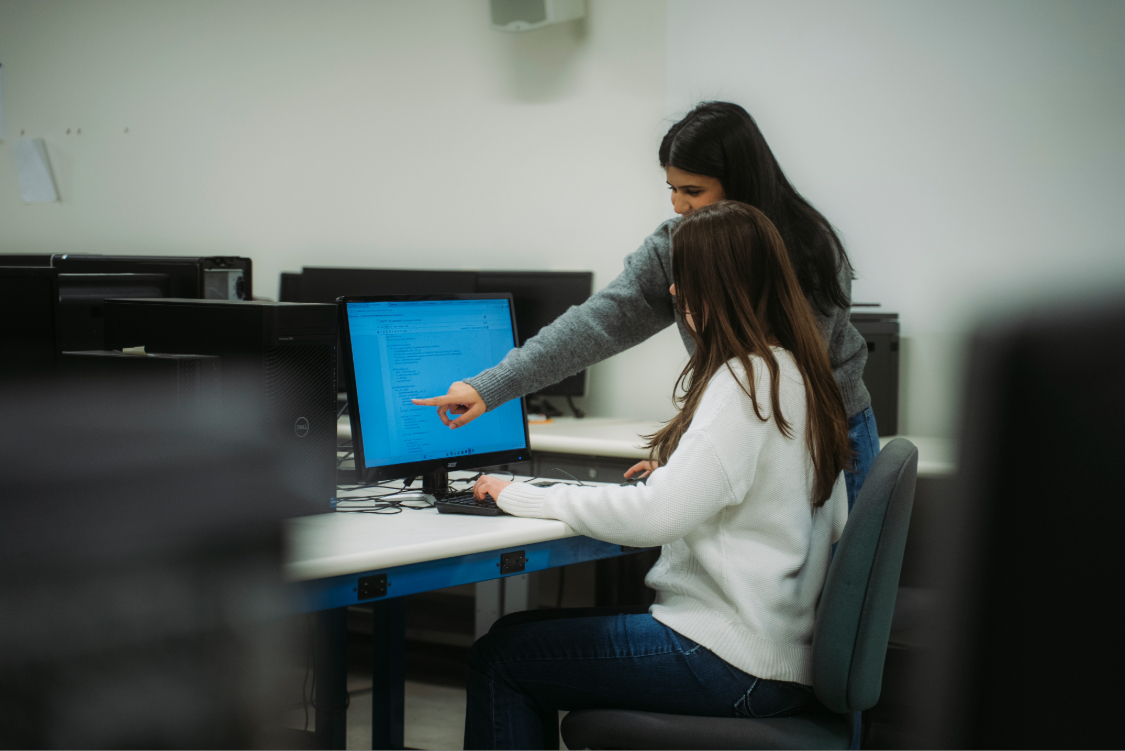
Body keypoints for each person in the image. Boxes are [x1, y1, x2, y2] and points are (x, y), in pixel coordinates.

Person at [460, 201, 852, 750]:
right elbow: (822, 512)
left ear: (719, 287)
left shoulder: (742, 381)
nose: (672, 291)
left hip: (730, 658)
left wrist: (520, 494)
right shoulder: (797, 374)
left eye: (683, 279)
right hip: (779, 653)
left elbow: (654, 518)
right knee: (512, 632)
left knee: (498, 660)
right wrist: (686, 472)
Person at [414, 101, 879, 508]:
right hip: (748, 432)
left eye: (692, 191)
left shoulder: (808, 251)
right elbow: (600, 322)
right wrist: (493, 386)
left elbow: (779, 390)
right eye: (671, 189)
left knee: (829, 579)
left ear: (740, 183)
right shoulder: (675, 245)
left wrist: (692, 458)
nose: (677, 206)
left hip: (827, 434)